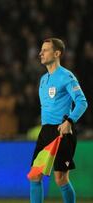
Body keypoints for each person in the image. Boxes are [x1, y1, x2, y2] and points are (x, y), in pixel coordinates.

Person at [28, 38, 88, 203]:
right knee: (35, 175)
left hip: (63, 131)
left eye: (45, 50)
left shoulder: (66, 76)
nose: (40, 53)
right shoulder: (43, 79)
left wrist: (69, 121)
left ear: (57, 53)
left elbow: (82, 102)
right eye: (41, 50)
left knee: (60, 178)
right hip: (46, 131)